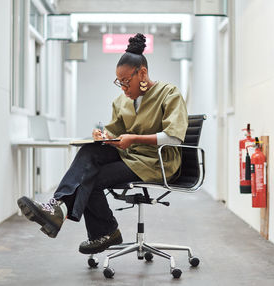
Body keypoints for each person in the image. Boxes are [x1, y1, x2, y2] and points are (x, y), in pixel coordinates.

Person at [17, 33, 188, 255]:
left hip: (158, 162)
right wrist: (103, 135)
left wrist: (134, 138)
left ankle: (103, 231)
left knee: (91, 178)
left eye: (126, 82)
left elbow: (174, 137)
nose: (123, 88)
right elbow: (114, 131)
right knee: (90, 150)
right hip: (131, 156)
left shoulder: (169, 93)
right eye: (120, 83)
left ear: (142, 73)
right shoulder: (122, 101)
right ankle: (57, 207)